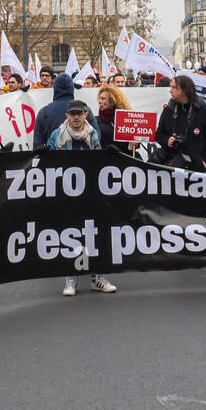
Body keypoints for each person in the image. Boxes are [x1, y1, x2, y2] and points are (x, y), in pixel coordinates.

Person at [47, 101, 117, 297]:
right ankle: (71, 279)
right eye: (72, 114)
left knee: (94, 235)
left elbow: (99, 161)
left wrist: (108, 154)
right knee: (71, 235)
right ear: (67, 115)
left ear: (86, 115)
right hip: (67, 194)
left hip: (90, 193)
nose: (76, 117)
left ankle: (96, 278)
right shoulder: (56, 136)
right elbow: (50, 165)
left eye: (80, 113)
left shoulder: (93, 134)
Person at [153, 75, 206, 171]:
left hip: (196, 166)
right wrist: (167, 140)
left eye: (174, 87)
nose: (170, 90)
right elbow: (159, 134)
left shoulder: (203, 110)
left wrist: (205, 161)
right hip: (170, 162)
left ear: (185, 90)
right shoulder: (169, 109)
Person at [33, 72, 97, 149]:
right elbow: (97, 138)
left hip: (53, 159)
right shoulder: (85, 109)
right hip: (83, 159)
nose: (76, 117)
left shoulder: (43, 112)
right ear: (72, 88)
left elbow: (37, 145)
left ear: (55, 88)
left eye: (78, 114)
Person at [95, 84, 133, 151]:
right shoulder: (95, 121)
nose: (99, 101)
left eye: (103, 99)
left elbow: (129, 145)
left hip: (124, 157)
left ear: (113, 101)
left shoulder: (125, 120)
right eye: (99, 98)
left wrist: (133, 144)